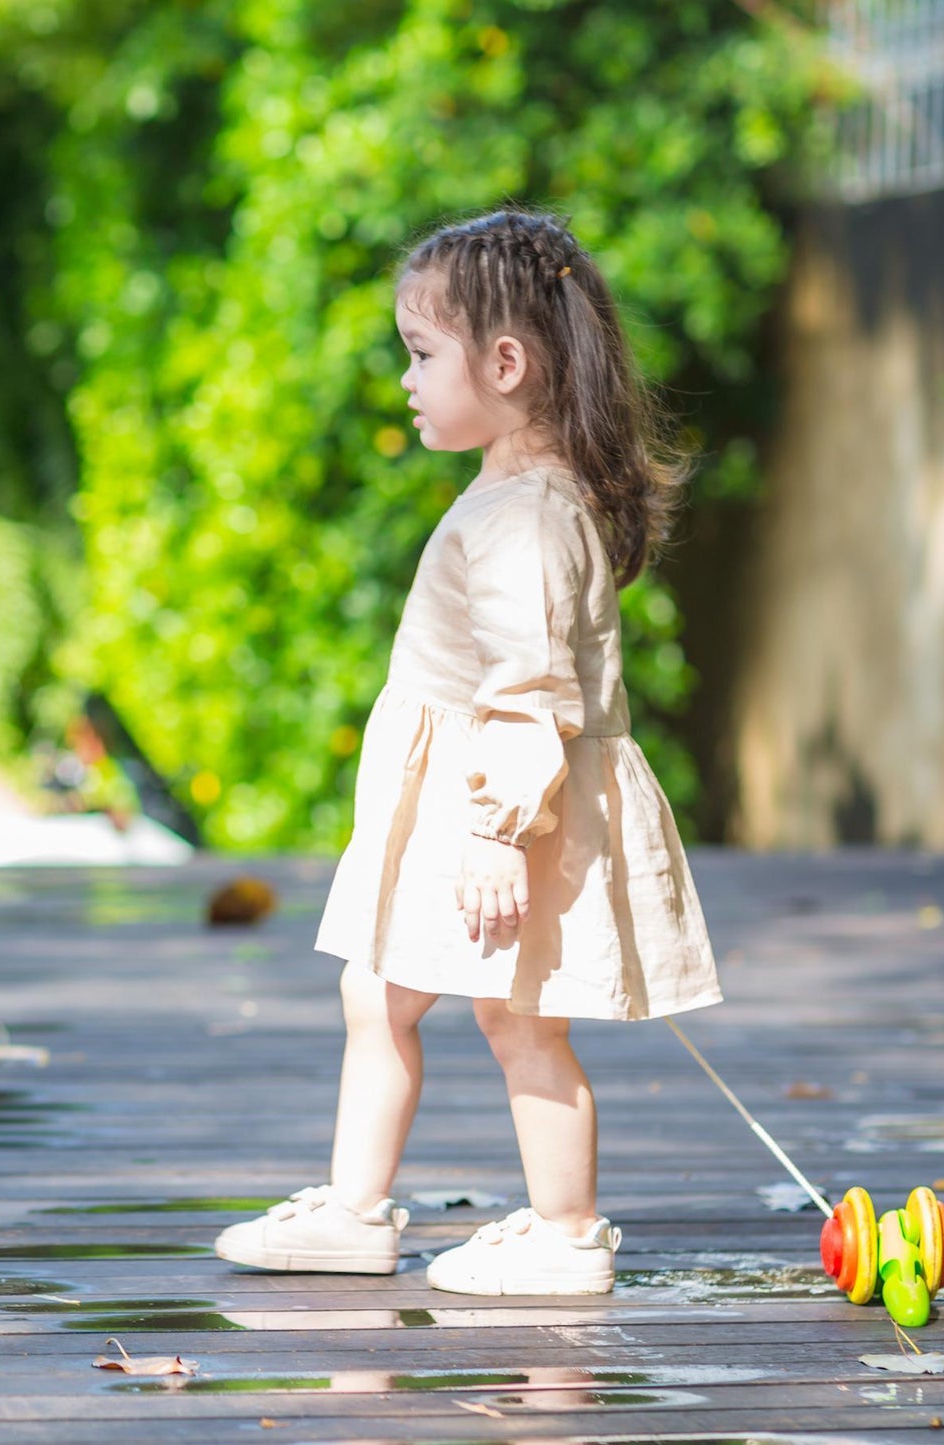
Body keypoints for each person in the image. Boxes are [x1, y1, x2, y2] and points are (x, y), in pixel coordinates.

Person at [215, 210, 721, 1296]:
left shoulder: (528, 517)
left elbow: (532, 687)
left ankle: (564, 1230)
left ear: (504, 361)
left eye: (419, 352)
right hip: (476, 796)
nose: (404, 378)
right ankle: (354, 1209)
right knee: (383, 990)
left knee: (517, 1012)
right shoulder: (515, 493)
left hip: (501, 806)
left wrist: (497, 833)